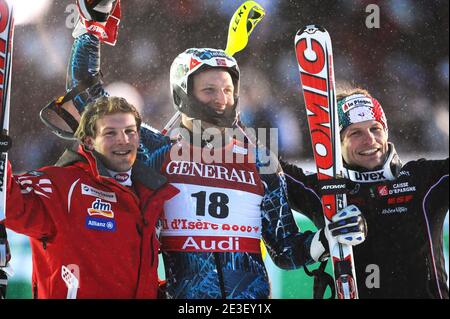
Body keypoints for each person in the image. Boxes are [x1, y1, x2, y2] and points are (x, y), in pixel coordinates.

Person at [64, 0, 367, 299]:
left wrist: (326, 240)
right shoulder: (154, 151)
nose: (221, 99)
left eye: (227, 90)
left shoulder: (259, 161)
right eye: (208, 90)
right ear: (184, 94)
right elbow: (88, 98)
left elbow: (286, 250)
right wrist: (91, 29)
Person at [281, 87, 449, 299]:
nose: (369, 140)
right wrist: (228, 112)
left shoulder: (424, 179)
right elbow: (256, 159)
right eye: (355, 133)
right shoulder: (326, 189)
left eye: (375, 129)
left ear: (386, 131)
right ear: (336, 143)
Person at [3, 96, 178, 298]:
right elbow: (7, 201)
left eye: (130, 131)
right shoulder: (60, 186)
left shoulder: (150, 194)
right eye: (110, 133)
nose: (123, 139)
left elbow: (133, 276)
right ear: (89, 141)